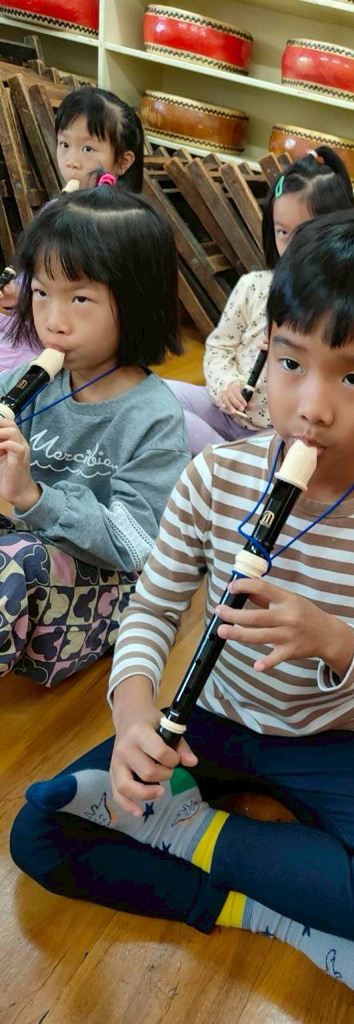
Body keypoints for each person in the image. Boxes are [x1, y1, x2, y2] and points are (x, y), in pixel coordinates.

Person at [12, 211, 354, 1018]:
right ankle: (265, 911)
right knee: (36, 837)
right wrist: (135, 718)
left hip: (325, 738)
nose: (311, 407)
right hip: (207, 717)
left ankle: (184, 834)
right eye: (291, 363)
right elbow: (152, 608)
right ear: (266, 349)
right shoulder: (215, 474)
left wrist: (333, 639)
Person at [0, 184, 189, 687]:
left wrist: (32, 496)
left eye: (80, 298)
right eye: (41, 293)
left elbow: (136, 544)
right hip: (32, 563)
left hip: (106, 590)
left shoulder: (154, 419)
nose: (53, 320)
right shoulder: (28, 383)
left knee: (17, 561)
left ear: (136, 302)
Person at [166, 148, 354, 455]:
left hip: (277, 431)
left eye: (303, 233)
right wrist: (226, 385)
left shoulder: (340, 309)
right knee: (158, 396)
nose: (290, 245)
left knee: (292, 450)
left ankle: (223, 459)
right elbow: (220, 346)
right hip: (226, 413)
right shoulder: (253, 286)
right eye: (282, 231)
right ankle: (228, 459)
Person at [0, 86, 145, 370]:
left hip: (74, 340)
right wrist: (17, 293)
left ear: (123, 162)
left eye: (88, 149)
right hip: (36, 320)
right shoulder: (54, 209)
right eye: (64, 144)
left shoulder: (121, 227)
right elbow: (37, 276)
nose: (72, 161)